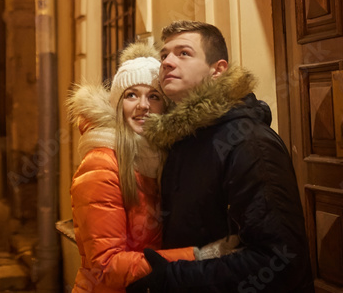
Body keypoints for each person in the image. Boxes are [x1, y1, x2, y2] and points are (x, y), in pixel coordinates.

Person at [128, 21, 313, 292]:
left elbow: (279, 260)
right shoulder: (181, 139)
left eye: (183, 53)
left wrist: (174, 276)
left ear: (218, 70)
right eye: (164, 55)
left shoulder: (250, 144)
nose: (167, 62)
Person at [68, 42, 232, 293]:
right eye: (131, 95)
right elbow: (106, 266)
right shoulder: (102, 163)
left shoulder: (161, 158)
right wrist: (199, 256)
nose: (143, 105)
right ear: (117, 104)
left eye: (153, 96)